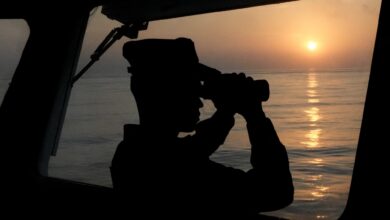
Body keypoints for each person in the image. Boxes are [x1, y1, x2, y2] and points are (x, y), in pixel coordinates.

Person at [110, 38, 294, 218]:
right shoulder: (179, 171)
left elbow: (191, 149)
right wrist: (254, 114)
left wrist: (226, 111)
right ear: (167, 94)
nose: (199, 102)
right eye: (191, 91)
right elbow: (276, 192)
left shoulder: (131, 152)